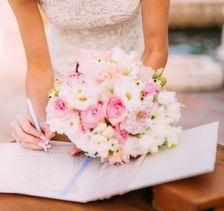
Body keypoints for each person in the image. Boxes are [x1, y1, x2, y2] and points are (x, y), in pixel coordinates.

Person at [9, 0, 169, 155]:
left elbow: (155, 51)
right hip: (66, 104)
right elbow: (39, 67)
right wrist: (38, 123)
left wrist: (116, 121)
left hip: (133, 94)